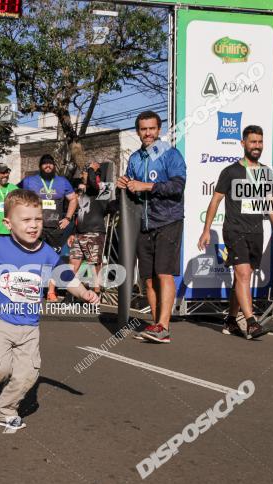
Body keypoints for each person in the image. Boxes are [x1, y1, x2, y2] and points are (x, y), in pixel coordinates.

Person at [0, 190, 99, 430]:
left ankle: (4, 410)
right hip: (0, 319)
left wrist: (83, 293)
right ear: (8, 223)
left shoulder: (47, 253)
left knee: (28, 374)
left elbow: (66, 277)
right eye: (26, 220)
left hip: (30, 326)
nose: (33, 226)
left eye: (38, 219)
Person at [197, 125, 273, 340]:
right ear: (243, 143)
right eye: (253, 142)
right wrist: (206, 229)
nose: (257, 146)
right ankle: (251, 322)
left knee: (241, 277)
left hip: (256, 231)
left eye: (260, 142)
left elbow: (271, 202)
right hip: (234, 230)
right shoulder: (230, 171)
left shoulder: (265, 172)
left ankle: (230, 319)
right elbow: (215, 200)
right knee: (243, 274)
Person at [117, 111, 187, 344]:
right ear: (138, 131)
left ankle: (163, 326)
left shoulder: (171, 154)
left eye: (152, 129)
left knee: (163, 273)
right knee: (147, 279)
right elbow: (131, 186)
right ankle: (157, 325)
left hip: (168, 220)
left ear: (159, 130)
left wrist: (146, 186)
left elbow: (178, 186)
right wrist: (124, 184)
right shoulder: (135, 158)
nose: (147, 133)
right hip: (143, 223)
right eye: (143, 129)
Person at [19, 154, 77, 301]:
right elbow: (14, 193)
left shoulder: (62, 182)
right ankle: (32, 290)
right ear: (40, 166)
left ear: (54, 166)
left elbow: (73, 199)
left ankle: (51, 291)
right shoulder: (30, 181)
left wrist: (68, 218)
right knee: (33, 259)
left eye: (50, 163)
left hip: (55, 228)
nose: (48, 166)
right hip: (35, 227)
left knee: (53, 260)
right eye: (45, 163)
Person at [68, 166, 109, 296]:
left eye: (85, 172)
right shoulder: (82, 191)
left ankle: (96, 294)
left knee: (94, 264)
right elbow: (79, 214)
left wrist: (91, 169)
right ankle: (71, 294)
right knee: (73, 263)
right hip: (79, 232)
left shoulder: (105, 187)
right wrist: (73, 232)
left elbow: (93, 183)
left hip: (94, 232)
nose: (83, 175)